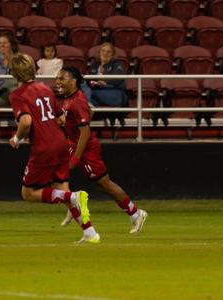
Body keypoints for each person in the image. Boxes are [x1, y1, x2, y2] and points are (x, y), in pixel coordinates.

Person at [8, 53, 100, 244]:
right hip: (61, 143)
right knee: (61, 187)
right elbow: (61, 119)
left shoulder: (17, 95)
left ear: (14, 73)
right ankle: (90, 232)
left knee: (28, 193)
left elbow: (26, 121)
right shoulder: (45, 88)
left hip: (44, 147)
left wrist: (17, 138)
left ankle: (74, 197)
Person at [55, 66, 147, 234]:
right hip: (73, 144)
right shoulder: (70, 98)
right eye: (57, 78)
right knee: (57, 173)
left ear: (74, 81)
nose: (57, 82)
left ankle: (136, 213)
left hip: (86, 149)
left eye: (62, 78)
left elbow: (86, 131)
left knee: (105, 184)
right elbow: (91, 112)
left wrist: (76, 157)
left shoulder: (77, 101)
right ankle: (72, 204)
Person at [82, 42, 127, 108]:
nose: (105, 53)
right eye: (103, 51)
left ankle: (86, 102)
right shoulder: (94, 65)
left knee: (83, 94)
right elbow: (89, 81)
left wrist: (105, 82)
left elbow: (118, 79)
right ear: (99, 52)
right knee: (82, 84)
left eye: (108, 52)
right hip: (96, 91)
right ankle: (88, 103)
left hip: (112, 92)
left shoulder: (117, 64)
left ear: (112, 54)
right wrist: (95, 83)